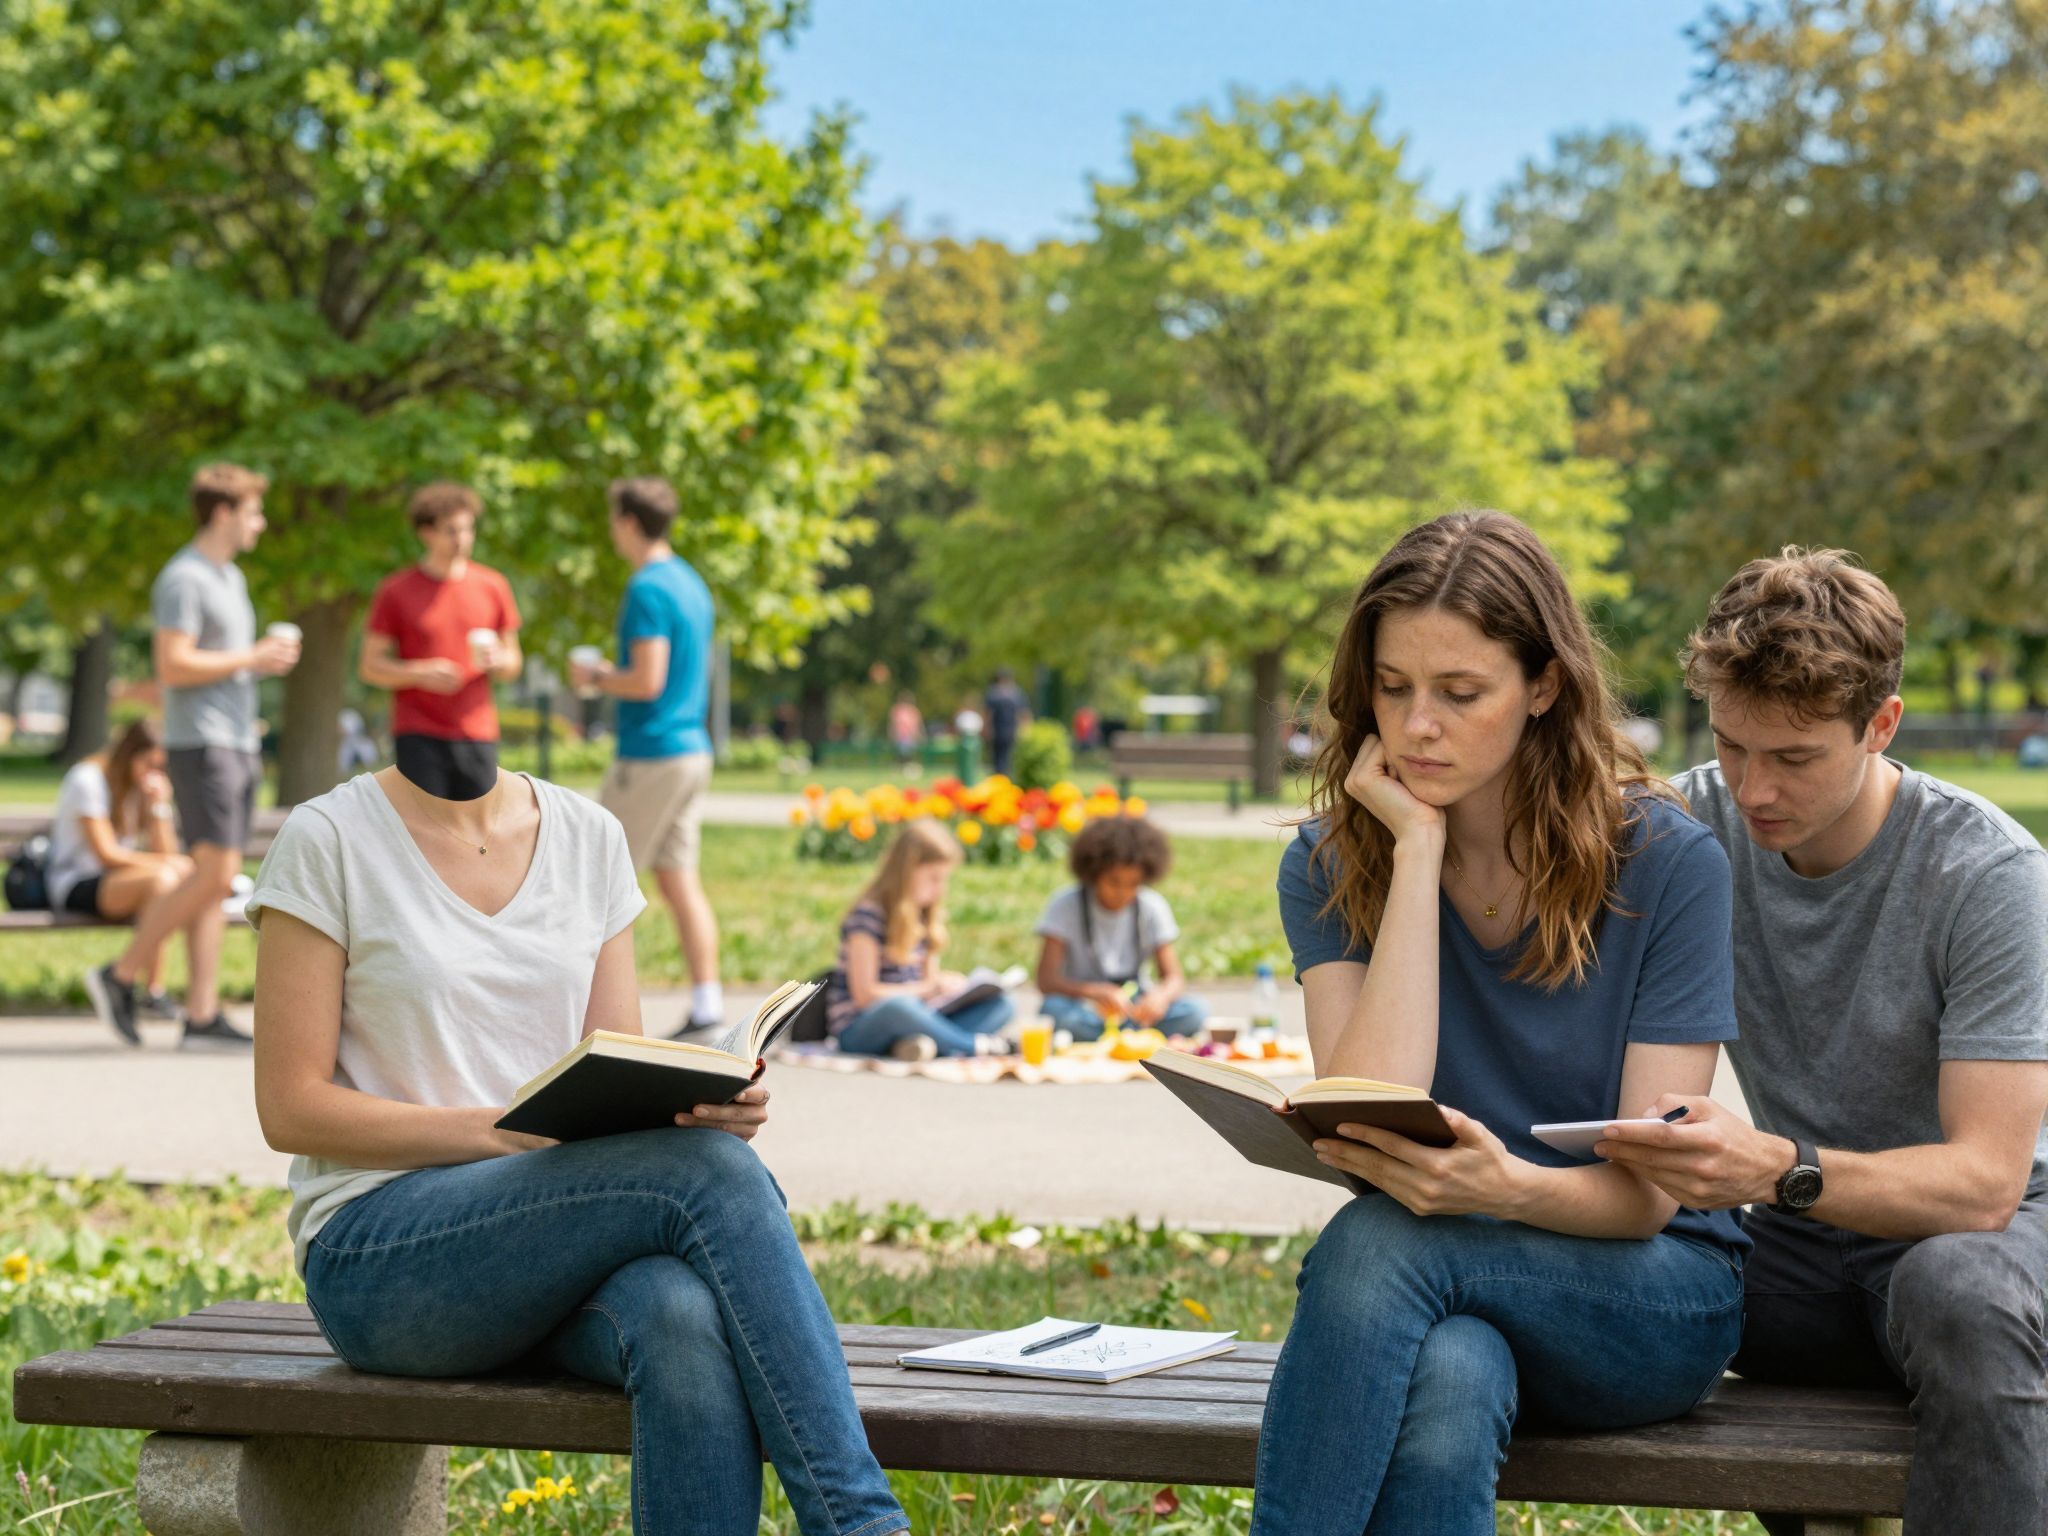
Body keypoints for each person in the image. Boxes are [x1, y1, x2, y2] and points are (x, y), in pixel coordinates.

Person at [244, 758, 907, 1536]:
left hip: (556, 1247)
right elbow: (289, 1109)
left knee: (680, 1314)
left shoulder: (590, 835)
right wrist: (502, 1130)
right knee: (711, 1178)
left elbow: (616, 1072)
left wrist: (696, 1106)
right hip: (381, 1258)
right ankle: (860, 1523)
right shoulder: (328, 836)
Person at [1253, 510, 1746, 1535]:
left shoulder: (1666, 864)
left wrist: (1498, 1186)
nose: (1415, 727)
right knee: (1447, 1380)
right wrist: (1417, 858)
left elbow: (1646, 1198)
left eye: (1458, 693)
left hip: (1645, 1294)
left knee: (1383, 1245)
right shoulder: (1329, 864)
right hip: (1444, 1289)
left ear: (1542, 686)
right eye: (1391, 689)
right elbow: (1367, 1127)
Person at [1596, 549, 2048, 1536]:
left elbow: (1984, 1186)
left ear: (1879, 725)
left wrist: (1774, 1169)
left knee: (1952, 1289)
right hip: (1803, 1249)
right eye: (1729, 746)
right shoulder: (1685, 828)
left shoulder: (1985, 873)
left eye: (1792, 758)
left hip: (1994, 1240)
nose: (1752, 789)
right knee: (1628, 1266)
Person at [125, 462, 299, 1051]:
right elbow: (172, 666)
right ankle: (121, 972)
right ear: (224, 513)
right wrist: (251, 658)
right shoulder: (185, 578)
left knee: (210, 880)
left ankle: (200, 1015)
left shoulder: (230, 579)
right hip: (200, 743)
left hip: (234, 739)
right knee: (219, 875)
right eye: (254, 511)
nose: (262, 523)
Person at [571, 479, 724, 1038]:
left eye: (614, 519)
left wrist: (595, 676)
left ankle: (585, 1022)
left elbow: (647, 678)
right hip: (691, 751)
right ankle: (708, 1004)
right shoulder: (691, 582)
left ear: (630, 522)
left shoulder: (647, 588)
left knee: (595, 882)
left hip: (652, 754)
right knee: (680, 880)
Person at [358, 483, 522, 802]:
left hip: (477, 731)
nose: (462, 540)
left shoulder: (493, 585)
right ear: (426, 533)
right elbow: (369, 667)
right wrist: (419, 673)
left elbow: (514, 663)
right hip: (417, 734)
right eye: (451, 531)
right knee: (425, 838)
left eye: (468, 530)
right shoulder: (395, 590)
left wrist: (498, 661)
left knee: (480, 838)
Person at [825, 820, 1014, 1061]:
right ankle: (970, 1046)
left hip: (918, 1012)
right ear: (906, 872)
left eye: (944, 879)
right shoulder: (867, 916)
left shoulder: (924, 916)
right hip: (862, 1026)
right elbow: (865, 995)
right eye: (933, 878)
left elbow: (928, 984)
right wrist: (928, 989)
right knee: (899, 1008)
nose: (940, 889)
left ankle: (919, 1043)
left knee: (1002, 1005)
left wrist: (949, 988)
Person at [64, 720, 198, 1034]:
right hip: (75, 882)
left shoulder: (139, 789)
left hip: (119, 882)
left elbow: (165, 850)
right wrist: (169, 864)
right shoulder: (88, 779)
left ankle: (147, 988)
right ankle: (126, 979)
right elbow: (106, 854)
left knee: (168, 880)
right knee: (164, 879)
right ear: (129, 754)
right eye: (149, 764)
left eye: (162, 767)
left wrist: (158, 806)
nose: (154, 773)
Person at [1032, 815, 1206, 1041]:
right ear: (1094, 874)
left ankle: (1122, 1035)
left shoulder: (1151, 906)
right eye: (1114, 881)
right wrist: (1094, 992)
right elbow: (1046, 980)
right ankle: (1134, 1036)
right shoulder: (1065, 905)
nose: (1123, 892)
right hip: (1086, 1009)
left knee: (1195, 1011)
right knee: (1054, 1009)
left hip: (1136, 1009)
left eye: (1133, 884)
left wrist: (1159, 998)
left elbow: (1174, 978)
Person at [984, 668, 1030, 780]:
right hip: (1008, 730)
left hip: (1000, 730)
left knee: (999, 758)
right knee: (1007, 758)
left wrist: (986, 729)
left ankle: (1000, 780)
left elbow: (987, 714)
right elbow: (1023, 713)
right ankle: (1004, 780)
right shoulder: (1017, 693)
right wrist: (1025, 728)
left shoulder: (993, 693)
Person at [887, 692, 923, 773]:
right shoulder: (896, 710)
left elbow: (917, 724)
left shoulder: (913, 711)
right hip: (900, 736)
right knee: (900, 754)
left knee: (910, 753)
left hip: (910, 736)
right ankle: (900, 768)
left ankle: (909, 768)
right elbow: (893, 724)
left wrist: (917, 734)